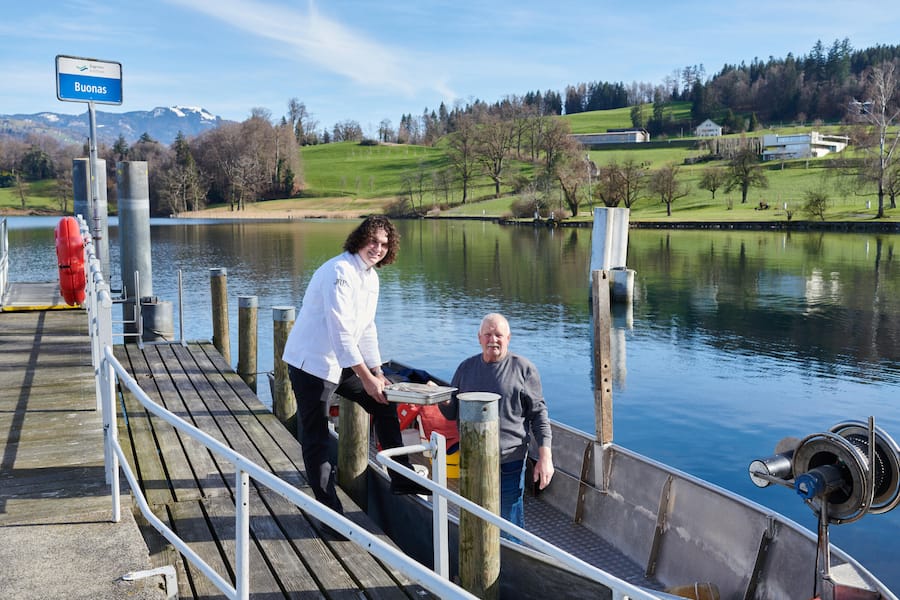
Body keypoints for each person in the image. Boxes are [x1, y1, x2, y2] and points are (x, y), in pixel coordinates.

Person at [282, 215, 427, 516]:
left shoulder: (370, 277)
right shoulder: (340, 271)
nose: (378, 248)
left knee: (383, 402)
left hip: (341, 362)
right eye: (373, 241)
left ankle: (401, 477)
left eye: (384, 244)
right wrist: (366, 375)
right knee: (317, 436)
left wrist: (377, 373)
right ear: (360, 239)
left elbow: (367, 328)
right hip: (311, 363)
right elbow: (341, 332)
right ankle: (329, 512)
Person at [444, 313, 553, 532]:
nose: (493, 339)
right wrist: (437, 396)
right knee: (474, 519)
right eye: (488, 334)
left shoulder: (524, 369)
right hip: (472, 459)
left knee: (507, 523)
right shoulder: (465, 368)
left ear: (508, 338)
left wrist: (545, 457)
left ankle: (514, 562)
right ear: (479, 338)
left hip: (509, 461)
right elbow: (450, 412)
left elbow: (539, 416)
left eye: (498, 335)